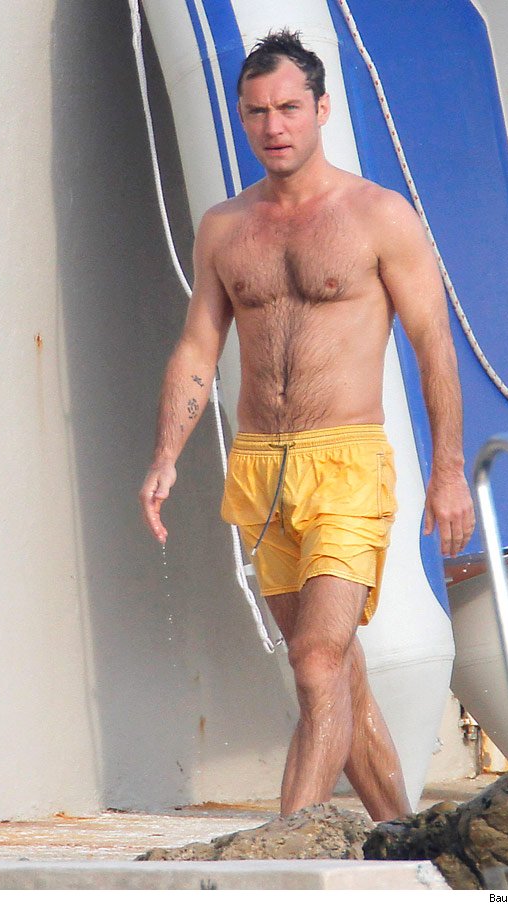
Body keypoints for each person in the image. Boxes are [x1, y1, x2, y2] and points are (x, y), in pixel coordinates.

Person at [139, 30, 475, 821]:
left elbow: (434, 343)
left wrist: (448, 469)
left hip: (346, 463)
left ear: (322, 109)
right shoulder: (225, 226)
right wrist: (166, 455)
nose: (274, 125)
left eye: (289, 107)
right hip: (260, 468)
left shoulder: (378, 214)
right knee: (335, 671)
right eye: (257, 112)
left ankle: (285, 848)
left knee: (317, 659)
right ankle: (402, 837)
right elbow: (197, 348)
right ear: (241, 118)